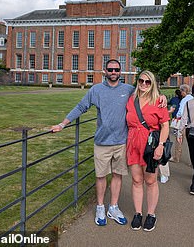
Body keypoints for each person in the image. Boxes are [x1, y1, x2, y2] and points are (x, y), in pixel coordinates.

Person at [51, 59, 167, 227]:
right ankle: (100, 207)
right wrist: (63, 124)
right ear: (105, 71)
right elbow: (81, 106)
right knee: (102, 176)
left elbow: (150, 93)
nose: (113, 72)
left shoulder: (128, 90)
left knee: (120, 176)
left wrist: (162, 96)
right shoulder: (97, 90)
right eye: (110, 69)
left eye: (116, 69)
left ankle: (114, 207)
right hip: (103, 142)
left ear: (121, 72)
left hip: (122, 142)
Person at [126, 70, 169, 232]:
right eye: (141, 81)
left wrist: (161, 146)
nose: (144, 84)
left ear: (152, 84)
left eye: (147, 82)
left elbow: (165, 125)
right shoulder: (131, 99)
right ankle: (138, 213)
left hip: (151, 145)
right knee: (137, 180)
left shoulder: (159, 101)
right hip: (133, 144)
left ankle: (151, 214)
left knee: (150, 180)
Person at [172, 84, 193, 162]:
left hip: (183, 123)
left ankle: (176, 157)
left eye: (181, 91)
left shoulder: (184, 100)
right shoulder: (192, 99)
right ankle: (193, 161)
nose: (180, 93)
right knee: (191, 143)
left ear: (184, 91)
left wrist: (176, 116)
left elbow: (180, 112)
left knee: (179, 141)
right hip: (191, 123)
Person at [168, 89, 182, 163]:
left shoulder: (174, 99)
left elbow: (170, 104)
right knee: (180, 138)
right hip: (183, 121)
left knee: (178, 138)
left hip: (176, 120)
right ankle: (178, 155)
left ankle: (177, 157)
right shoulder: (183, 100)